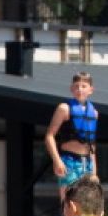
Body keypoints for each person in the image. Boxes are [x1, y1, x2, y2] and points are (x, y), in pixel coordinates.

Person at [43, 72, 99, 204]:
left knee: (87, 202)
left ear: (91, 90)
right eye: (76, 86)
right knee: (69, 200)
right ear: (71, 89)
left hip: (87, 162)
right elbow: (49, 136)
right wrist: (57, 161)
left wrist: (94, 171)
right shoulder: (64, 109)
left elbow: (92, 145)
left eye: (83, 86)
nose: (80, 89)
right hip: (69, 160)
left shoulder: (94, 113)